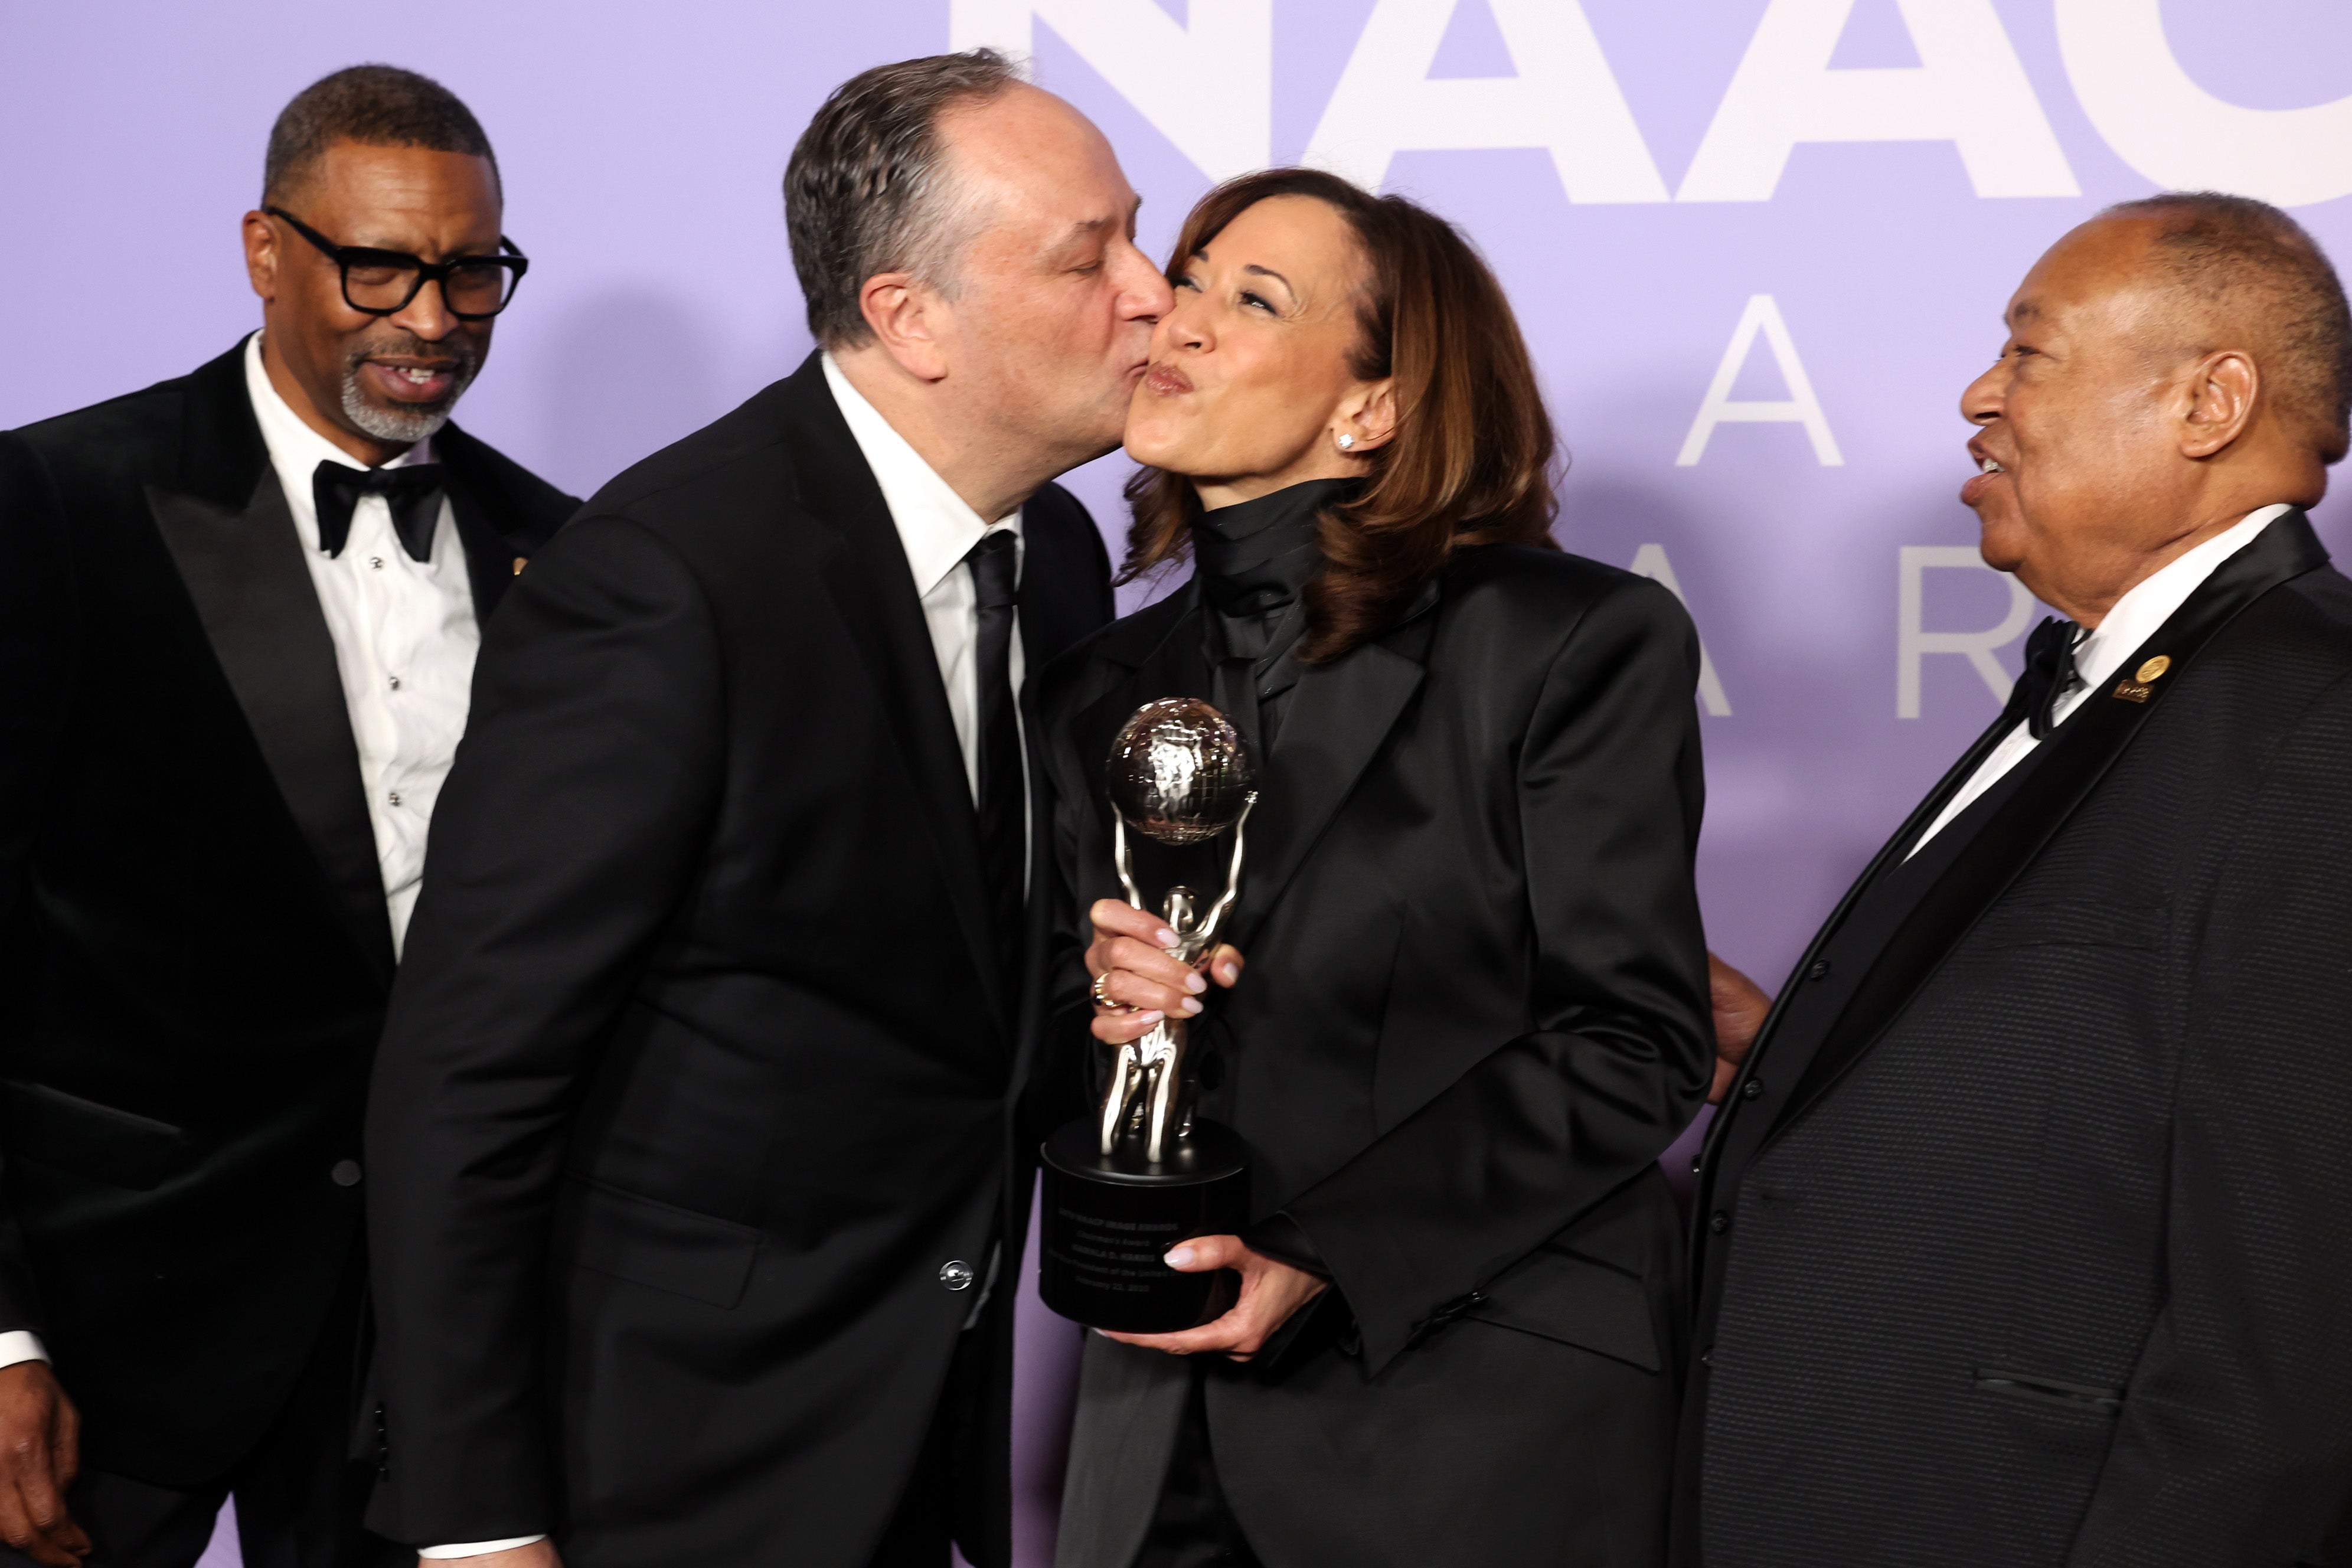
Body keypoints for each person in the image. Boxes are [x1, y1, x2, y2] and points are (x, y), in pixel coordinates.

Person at [361, 51, 1166, 1568]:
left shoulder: (1052, 551)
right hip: (663, 1470)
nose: (1152, 291)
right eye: (1090, 255)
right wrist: (475, 1527)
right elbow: (465, 1080)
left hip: (918, 1445)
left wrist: (1107, 1004)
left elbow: (940, 998)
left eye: (1141, 234)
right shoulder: (666, 579)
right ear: (907, 316)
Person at [1049, 168, 1713, 1568]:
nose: (1181, 314)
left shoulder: (1564, 639)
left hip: (1468, 1416)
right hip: (1153, 1414)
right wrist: (1099, 996)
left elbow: (1632, 1040)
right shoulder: (1100, 684)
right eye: (1188, 271)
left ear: (1374, 406)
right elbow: (1050, 1033)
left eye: (1255, 296)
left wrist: (1323, 1255)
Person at [1684, 194, 2352, 1566]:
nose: (1980, 394)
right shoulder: (2127, 684)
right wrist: (1793, 1060)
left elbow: (2294, 1321)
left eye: (2030, 352)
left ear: (2210, 403)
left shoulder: (2318, 713)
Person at [0, 65, 574, 1568]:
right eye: (379, 265)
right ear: (266, 250)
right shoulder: (55, 503)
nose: (435, 318)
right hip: (108, 1303)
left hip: (428, 1333)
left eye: (472, 272)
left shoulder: (559, 551)